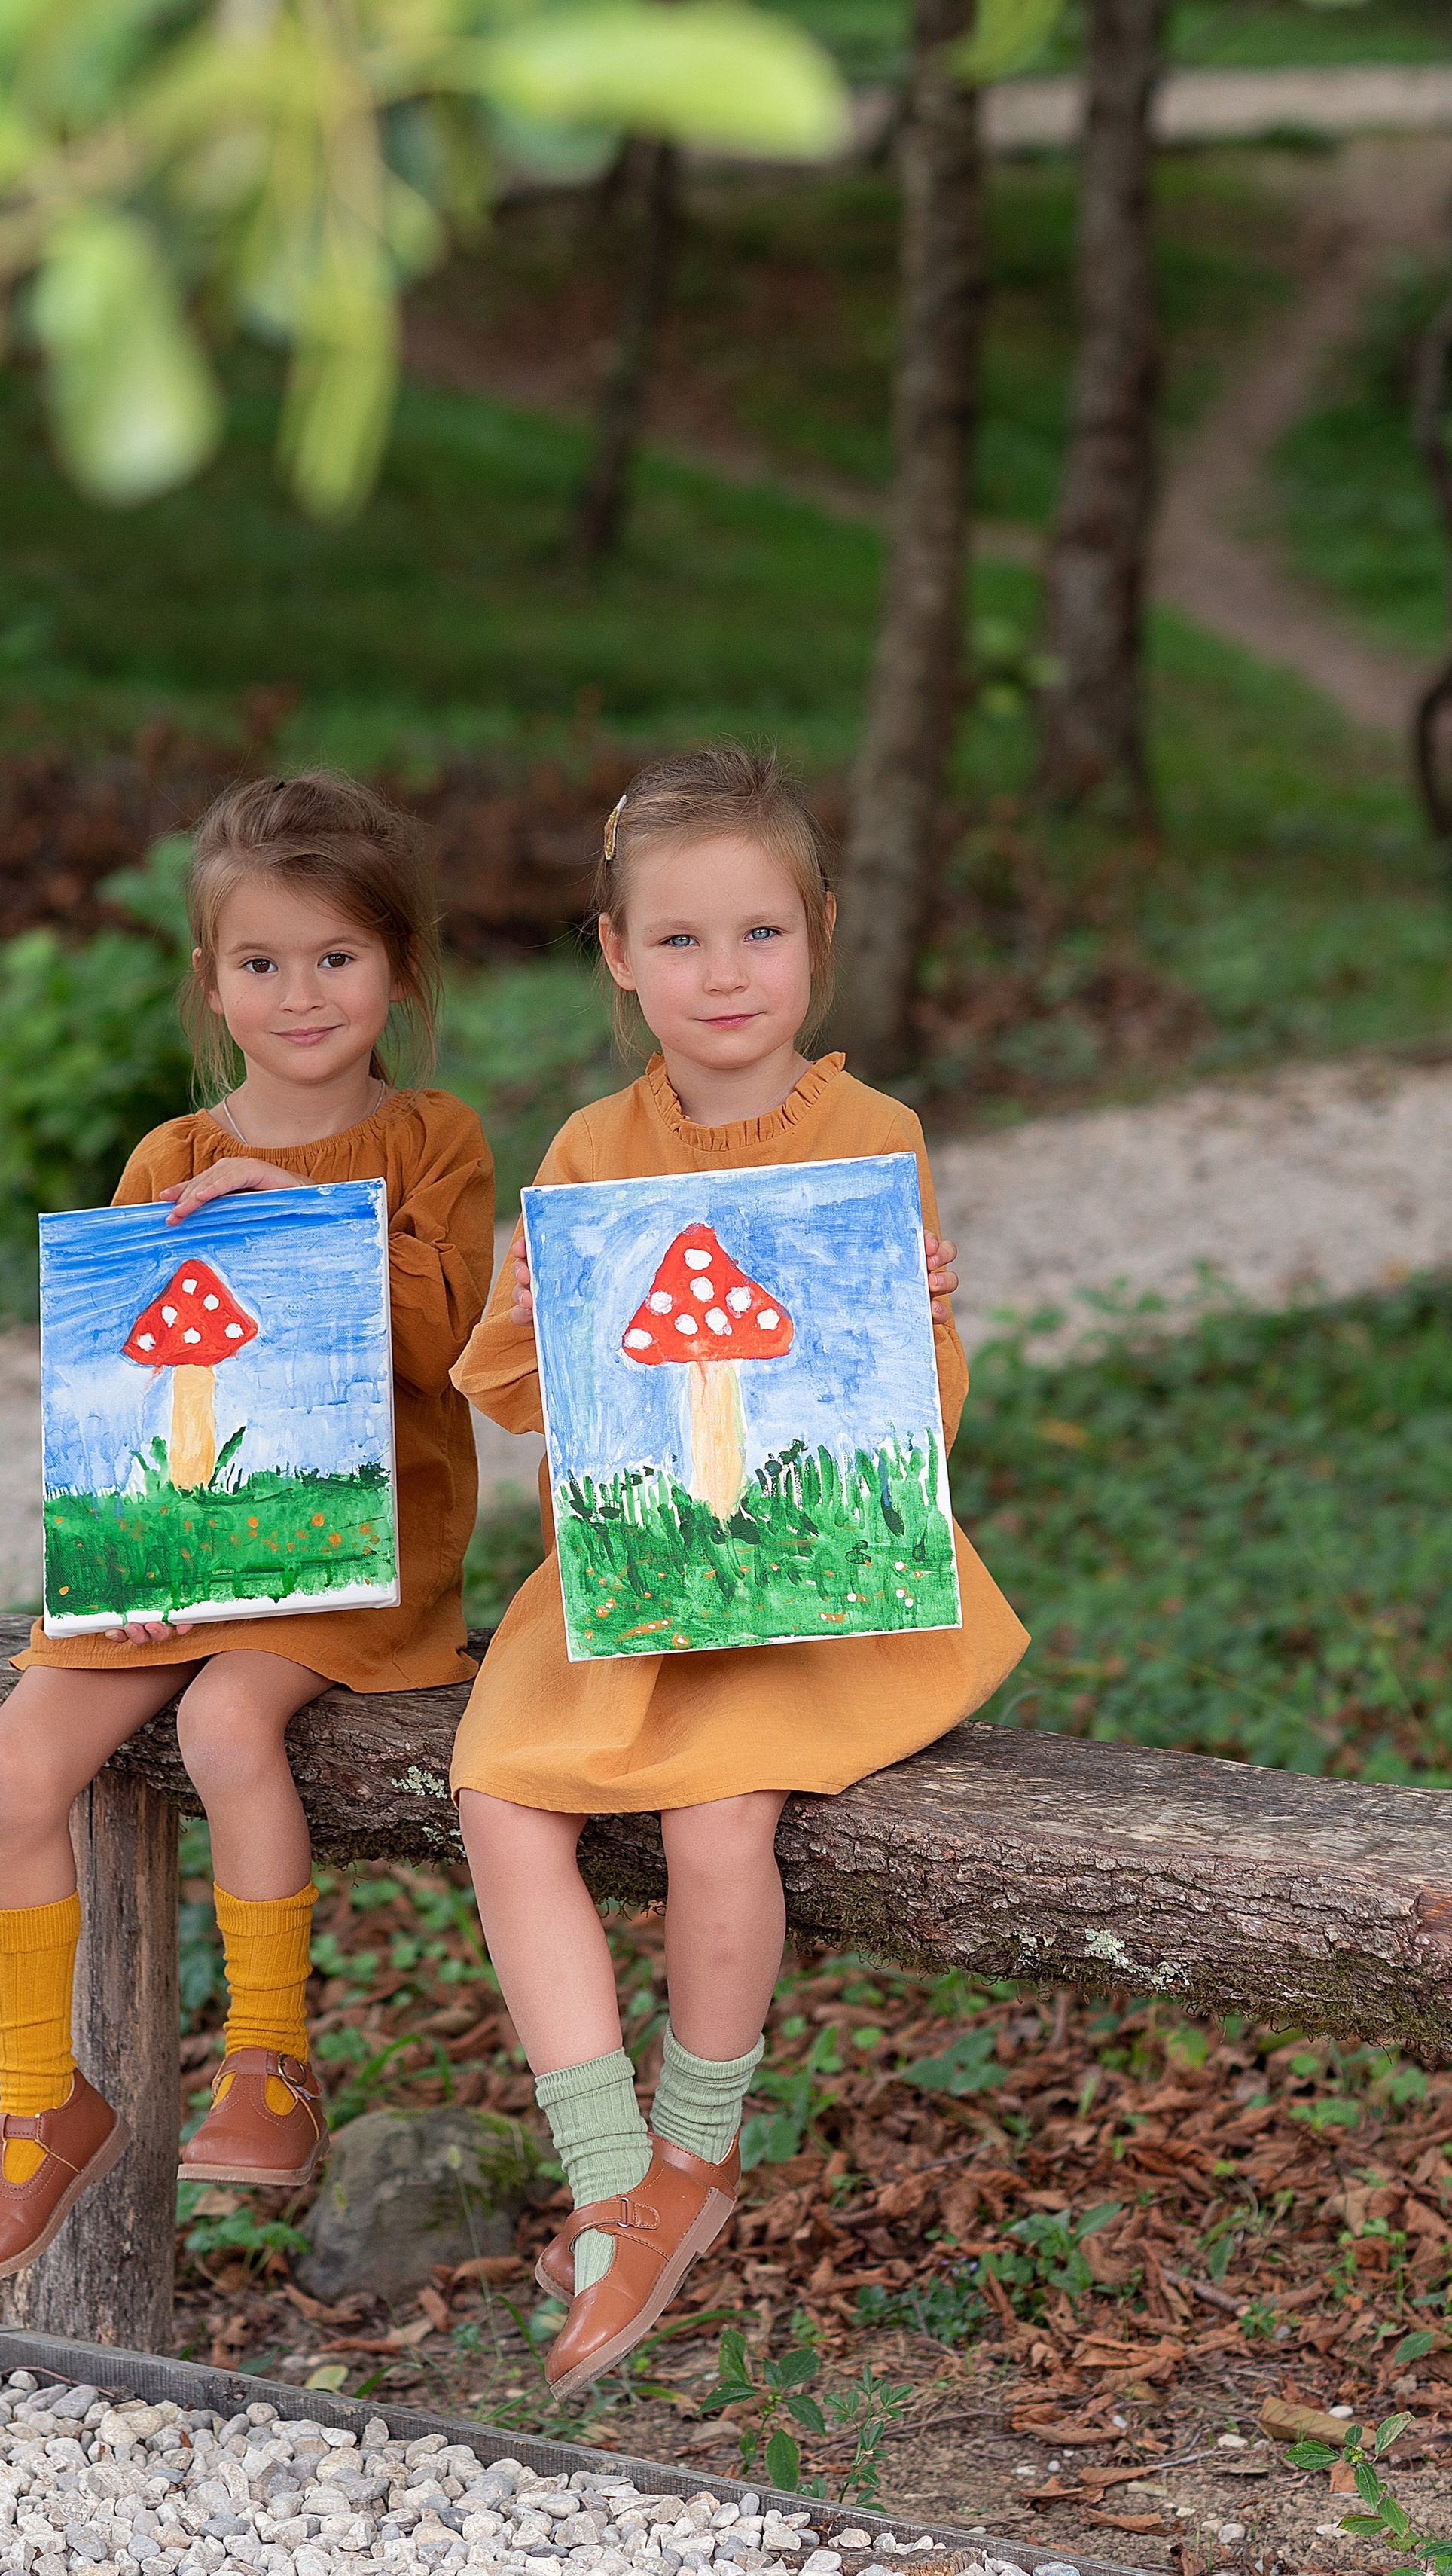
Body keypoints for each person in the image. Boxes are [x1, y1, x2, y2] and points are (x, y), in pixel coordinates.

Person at [449, 744, 1027, 2396]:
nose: (722, 975)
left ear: (818, 938)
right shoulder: (586, 1145)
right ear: (618, 955)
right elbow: (507, 1389)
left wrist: (910, 1316)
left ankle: (692, 2157)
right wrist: (531, 1289)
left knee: (718, 1818)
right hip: (628, 1582)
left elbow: (901, 1434)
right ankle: (603, 2170)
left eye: (758, 936)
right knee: (502, 1799)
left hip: (801, 1594)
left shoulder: (867, 1133)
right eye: (680, 940)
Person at [0, 771, 494, 2288]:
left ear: (397, 969)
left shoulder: (430, 1140)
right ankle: (42, 2105)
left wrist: (309, 1226)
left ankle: (268, 2061)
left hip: (356, 1559)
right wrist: (114, 1566)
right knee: (13, 1763)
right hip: (184, 1550)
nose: (299, 995)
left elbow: (448, 1340)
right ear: (210, 983)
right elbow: (123, 1387)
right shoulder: (165, 1162)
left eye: (335, 959)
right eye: (261, 963)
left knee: (228, 1729)